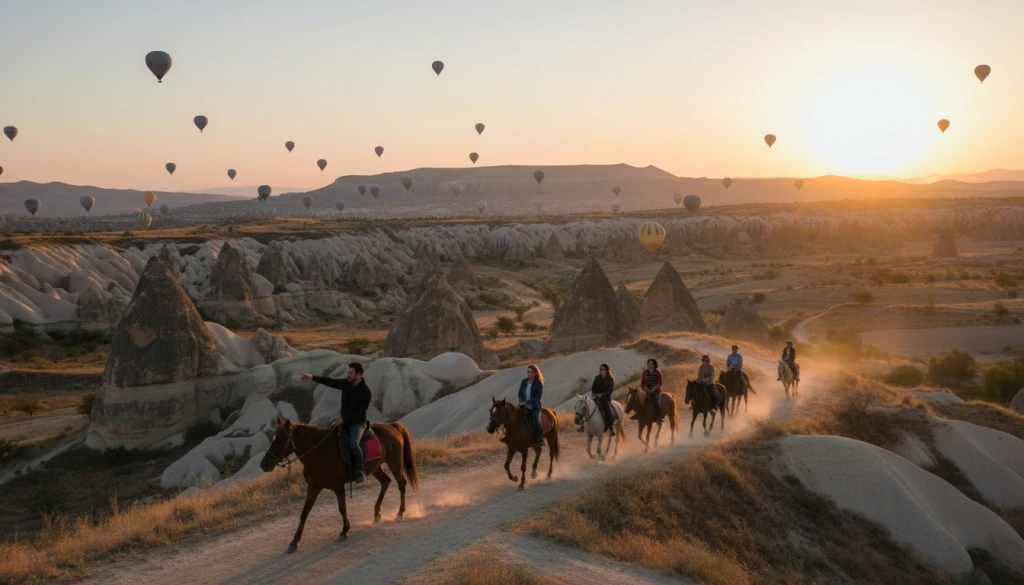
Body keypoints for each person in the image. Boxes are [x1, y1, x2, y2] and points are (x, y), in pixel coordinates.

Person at [300, 363, 372, 484]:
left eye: (350, 373)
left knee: (353, 444)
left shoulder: (366, 392)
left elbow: (360, 413)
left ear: (358, 375)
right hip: (343, 422)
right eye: (347, 372)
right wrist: (312, 377)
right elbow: (330, 381)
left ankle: (360, 471)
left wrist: (344, 419)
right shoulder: (346, 384)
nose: (347, 375)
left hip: (358, 423)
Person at [581, 363, 616, 435]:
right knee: (586, 406)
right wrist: (595, 394)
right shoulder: (597, 378)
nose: (602, 371)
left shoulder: (610, 379)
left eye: (604, 369)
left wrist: (602, 394)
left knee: (608, 409)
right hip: (596, 397)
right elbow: (593, 388)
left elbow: (610, 390)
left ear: (607, 370)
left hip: (605, 398)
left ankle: (611, 426)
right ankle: (582, 425)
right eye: (601, 369)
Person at [518, 364, 545, 447]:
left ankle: (540, 438)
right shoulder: (524, 382)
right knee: (513, 417)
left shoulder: (538, 383)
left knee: (536, 421)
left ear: (536, 373)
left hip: (534, 407)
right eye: (528, 372)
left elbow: (537, 398)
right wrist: (521, 402)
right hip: (523, 406)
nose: (529, 374)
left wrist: (526, 402)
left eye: (531, 372)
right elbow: (520, 394)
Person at [642, 358, 664, 423]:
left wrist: (652, 390)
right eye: (649, 364)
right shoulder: (645, 372)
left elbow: (659, 383)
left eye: (652, 364)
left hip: (656, 391)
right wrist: (645, 388)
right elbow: (643, 382)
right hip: (646, 391)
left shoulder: (657, 373)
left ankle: (659, 416)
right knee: (640, 401)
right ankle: (638, 415)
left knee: (657, 402)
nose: (650, 365)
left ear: (654, 365)